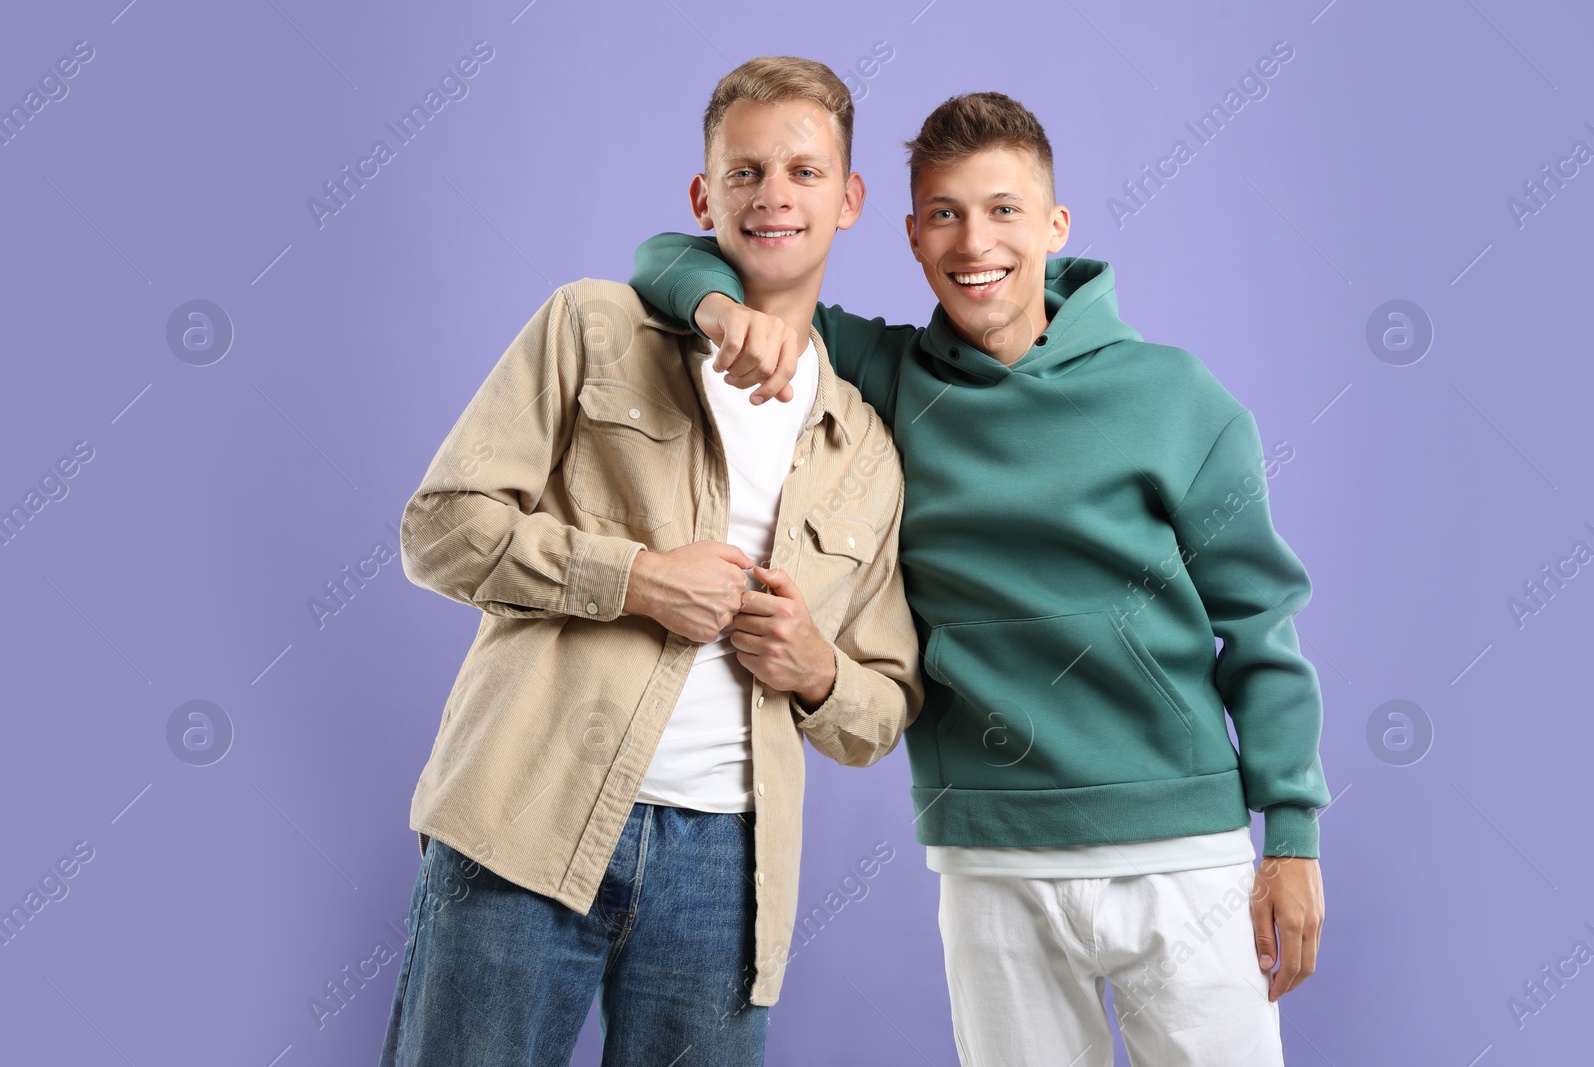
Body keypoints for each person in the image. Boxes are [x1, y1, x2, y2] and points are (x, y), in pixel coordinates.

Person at [630, 90, 1331, 1066]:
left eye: (1003, 209)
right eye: (946, 213)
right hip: (987, 857)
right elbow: (663, 258)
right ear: (912, 234)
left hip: (1182, 855)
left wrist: (1291, 832)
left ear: (1055, 225)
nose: (974, 241)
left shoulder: (1177, 398)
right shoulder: (883, 373)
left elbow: (1260, 626)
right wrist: (718, 307)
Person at [380, 56, 922, 1067]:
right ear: (701, 194)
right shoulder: (591, 325)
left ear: (848, 200)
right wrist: (634, 578)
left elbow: (882, 703)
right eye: (747, 170)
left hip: (729, 868)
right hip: (524, 808)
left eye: (804, 172)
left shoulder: (866, 450)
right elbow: (439, 526)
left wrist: (813, 668)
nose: (773, 195)